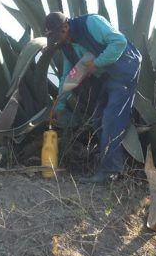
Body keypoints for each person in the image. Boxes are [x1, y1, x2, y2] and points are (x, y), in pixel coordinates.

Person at [45, 11, 142, 184]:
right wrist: (58, 106)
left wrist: (96, 64)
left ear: (66, 26)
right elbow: (68, 77)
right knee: (98, 119)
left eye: (59, 37)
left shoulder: (91, 23)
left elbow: (119, 42)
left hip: (124, 67)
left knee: (112, 118)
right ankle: (109, 161)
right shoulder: (66, 45)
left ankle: (110, 172)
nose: (60, 43)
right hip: (107, 76)